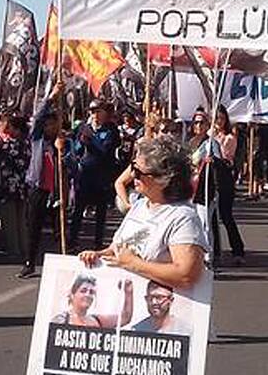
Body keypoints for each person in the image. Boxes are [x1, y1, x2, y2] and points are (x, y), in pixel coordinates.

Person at [79, 135, 210, 291]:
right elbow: (117, 251)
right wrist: (97, 255)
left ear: (163, 179)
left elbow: (187, 275)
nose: (133, 175)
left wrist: (134, 264)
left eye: (138, 172)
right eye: (133, 168)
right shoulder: (140, 206)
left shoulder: (183, 218)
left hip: (160, 301)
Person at [18, 91, 64, 279]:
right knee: (34, 227)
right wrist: (52, 96)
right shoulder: (38, 141)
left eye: (53, 124)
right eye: (47, 124)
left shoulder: (62, 142)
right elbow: (37, 117)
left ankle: (63, 262)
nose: (49, 127)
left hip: (57, 191)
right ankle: (30, 263)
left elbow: (73, 166)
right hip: (38, 189)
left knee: (59, 229)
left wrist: (63, 151)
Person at [71, 99, 121, 250]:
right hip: (84, 175)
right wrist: (81, 141)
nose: (95, 115)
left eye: (99, 111)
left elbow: (105, 151)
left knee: (101, 211)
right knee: (78, 209)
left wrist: (91, 139)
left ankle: (98, 243)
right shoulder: (83, 127)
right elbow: (76, 149)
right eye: (92, 111)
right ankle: (72, 240)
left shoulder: (111, 130)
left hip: (102, 175)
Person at [209, 106, 246, 263]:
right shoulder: (209, 136)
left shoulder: (229, 138)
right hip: (209, 179)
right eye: (216, 118)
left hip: (224, 179)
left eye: (222, 119)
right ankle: (215, 251)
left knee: (226, 215)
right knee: (211, 217)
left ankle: (238, 249)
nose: (219, 122)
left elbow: (226, 159)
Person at [0, 110, 30, 258]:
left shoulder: (10, 145)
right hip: (22, 185)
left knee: (10, 219)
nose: (9, 130)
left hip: (9, 185)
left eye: (12, 127)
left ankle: (13, 248)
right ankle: (23, 246)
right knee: (21, 218)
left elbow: (0, 160)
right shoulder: (27, 144)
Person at [50, 274, 133, 328]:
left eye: (91, 292)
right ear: (72, 294)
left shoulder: (97, 320)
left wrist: (128, 292)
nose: (88, 295)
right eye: (83, 291)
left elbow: (125, 318)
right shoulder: (60, 320)